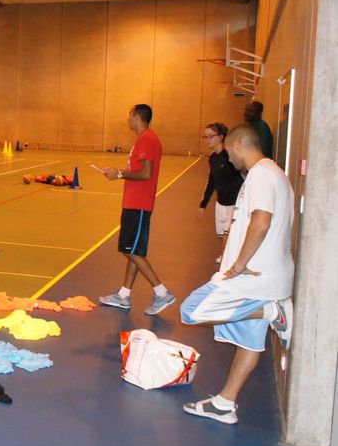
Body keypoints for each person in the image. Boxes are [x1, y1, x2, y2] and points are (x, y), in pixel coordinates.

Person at [179, 123, 294, 424]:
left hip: (253, 281)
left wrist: (239, 264)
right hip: (263, 277)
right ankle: (224, 404)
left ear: (240, 145)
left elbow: (261, 222)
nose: (228, 159)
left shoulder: (261, 175)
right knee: (248, 343)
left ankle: (271, 310)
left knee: (190, 310)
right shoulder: (273, 173)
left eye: (230, 152)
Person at [98, 104, 174, 315]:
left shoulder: (147, 139)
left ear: (138, 117)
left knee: (129, 250)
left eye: (129, 114)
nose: (127, 118)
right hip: (134, 202)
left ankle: (162, 292)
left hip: (138, 203)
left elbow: (146, 173)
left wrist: (119, 174)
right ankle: (123, 295)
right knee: (134, 251)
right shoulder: (144, 139)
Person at [199, 123, 244, 262]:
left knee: (228, 233)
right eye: (205, 137)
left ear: (221, 137)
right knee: (221, 234)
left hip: (234, 204)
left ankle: (228, 259)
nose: (207, 140)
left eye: (211, 136)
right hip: (221, 203)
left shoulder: (231, 156)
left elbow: (244, 176)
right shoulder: (212, 158)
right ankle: (227, 255)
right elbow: (211, 181)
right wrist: (203, 204)